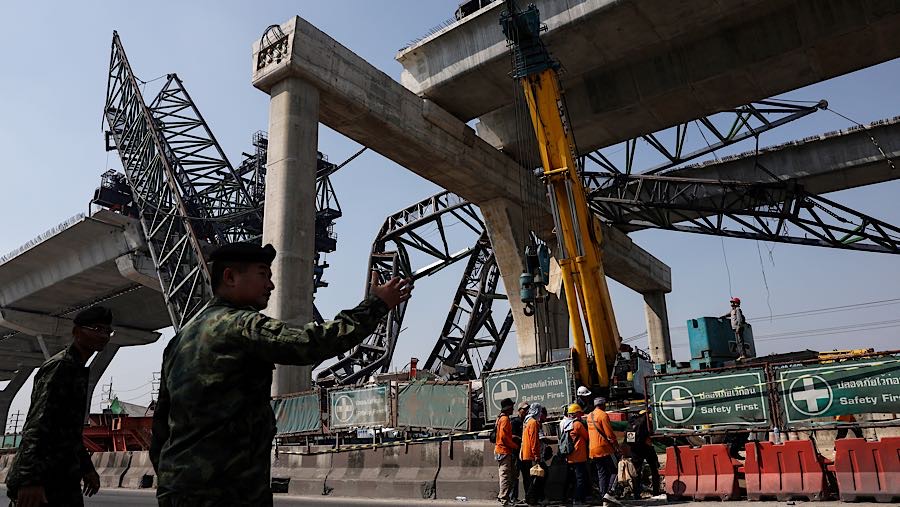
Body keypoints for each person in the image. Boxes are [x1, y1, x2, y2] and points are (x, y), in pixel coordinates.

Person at [150, 242, 412, 506]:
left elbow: (161, 424)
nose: (271, 285)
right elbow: (311, 343)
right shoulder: (241, 325)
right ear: (230, 277)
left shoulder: (180, 340)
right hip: (225, 490)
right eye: (263, 274)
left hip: (177, 488)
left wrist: (172, 477)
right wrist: (375, 306)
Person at [5, 306, 112, 507]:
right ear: (76, 332)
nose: (104, 336)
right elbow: (38, 425)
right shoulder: (61, 367)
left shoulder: (76, 369)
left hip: (62, 478)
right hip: (45, 480)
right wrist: (30, 479)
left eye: (107, 331)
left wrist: (86, 468)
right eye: (97, 329)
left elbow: (68, 432)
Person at [587, 397, 619, 502]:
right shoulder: (603, 415)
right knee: (615, 470)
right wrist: (616, 446)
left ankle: (603, 495)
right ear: (603, 405)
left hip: (593, 449)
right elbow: (609, 434)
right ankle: (609, 493)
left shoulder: (589, 416)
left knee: (602, 473)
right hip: (604, 448)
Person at [627, 409, 660, 498]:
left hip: (635, 448)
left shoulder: (632, 421)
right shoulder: (647, 421)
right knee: (654, 468)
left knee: (636, 471)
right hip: (646, 447)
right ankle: (656, 491)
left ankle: (636, 494)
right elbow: (651, 434)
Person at [562, 403, 590, 505]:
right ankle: (579, 500)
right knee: (580, 479)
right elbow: (586, 436)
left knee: (572, 479)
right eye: (579, 413)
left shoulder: (566, 424)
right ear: (576, 413)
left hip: (570, 456)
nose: (581, 415)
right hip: (579, 456)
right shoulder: (577, 424)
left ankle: (570, 498)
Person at [494, 397, 520, 505]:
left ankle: (504, 497)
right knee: (505, 476)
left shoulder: (500, 418)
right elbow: (504, 437)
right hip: (503, 451)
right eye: (512, 407)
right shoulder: (504, 419)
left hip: (503, 450)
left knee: (511, 476)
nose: (513, 409)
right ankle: (504, 499)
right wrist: (514, 446)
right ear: (508, 408)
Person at [519, 403, 546, 506]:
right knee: (536, 479)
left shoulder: (526, 421)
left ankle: (530, 499)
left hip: (525, 453)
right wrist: (537, 456)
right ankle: (532, 499)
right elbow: (534, 441)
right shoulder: (533, 422)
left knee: (531, 479)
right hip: (531, 455)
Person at [510, 401, 530, 504]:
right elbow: (510, 436)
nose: (526, 411)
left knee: (527, 476)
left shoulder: (528, 421)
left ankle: (528, 497)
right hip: (516, 453)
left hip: (525, 453)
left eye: (527, 409)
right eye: (524, 409)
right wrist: (521, 439)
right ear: (519, 410)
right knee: (515, 476)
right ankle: (513, 497)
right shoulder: (515, 422)